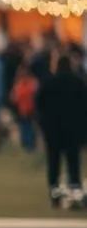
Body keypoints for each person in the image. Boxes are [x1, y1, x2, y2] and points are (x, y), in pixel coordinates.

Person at [35, 55, 87, 207]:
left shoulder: (49, 83)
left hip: (53, 130)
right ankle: (75, 192)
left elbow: (39, 104)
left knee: (53, 163)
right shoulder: (79, 83)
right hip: (73, 130)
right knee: (73, 163)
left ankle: (55, 194)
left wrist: (43, 125)